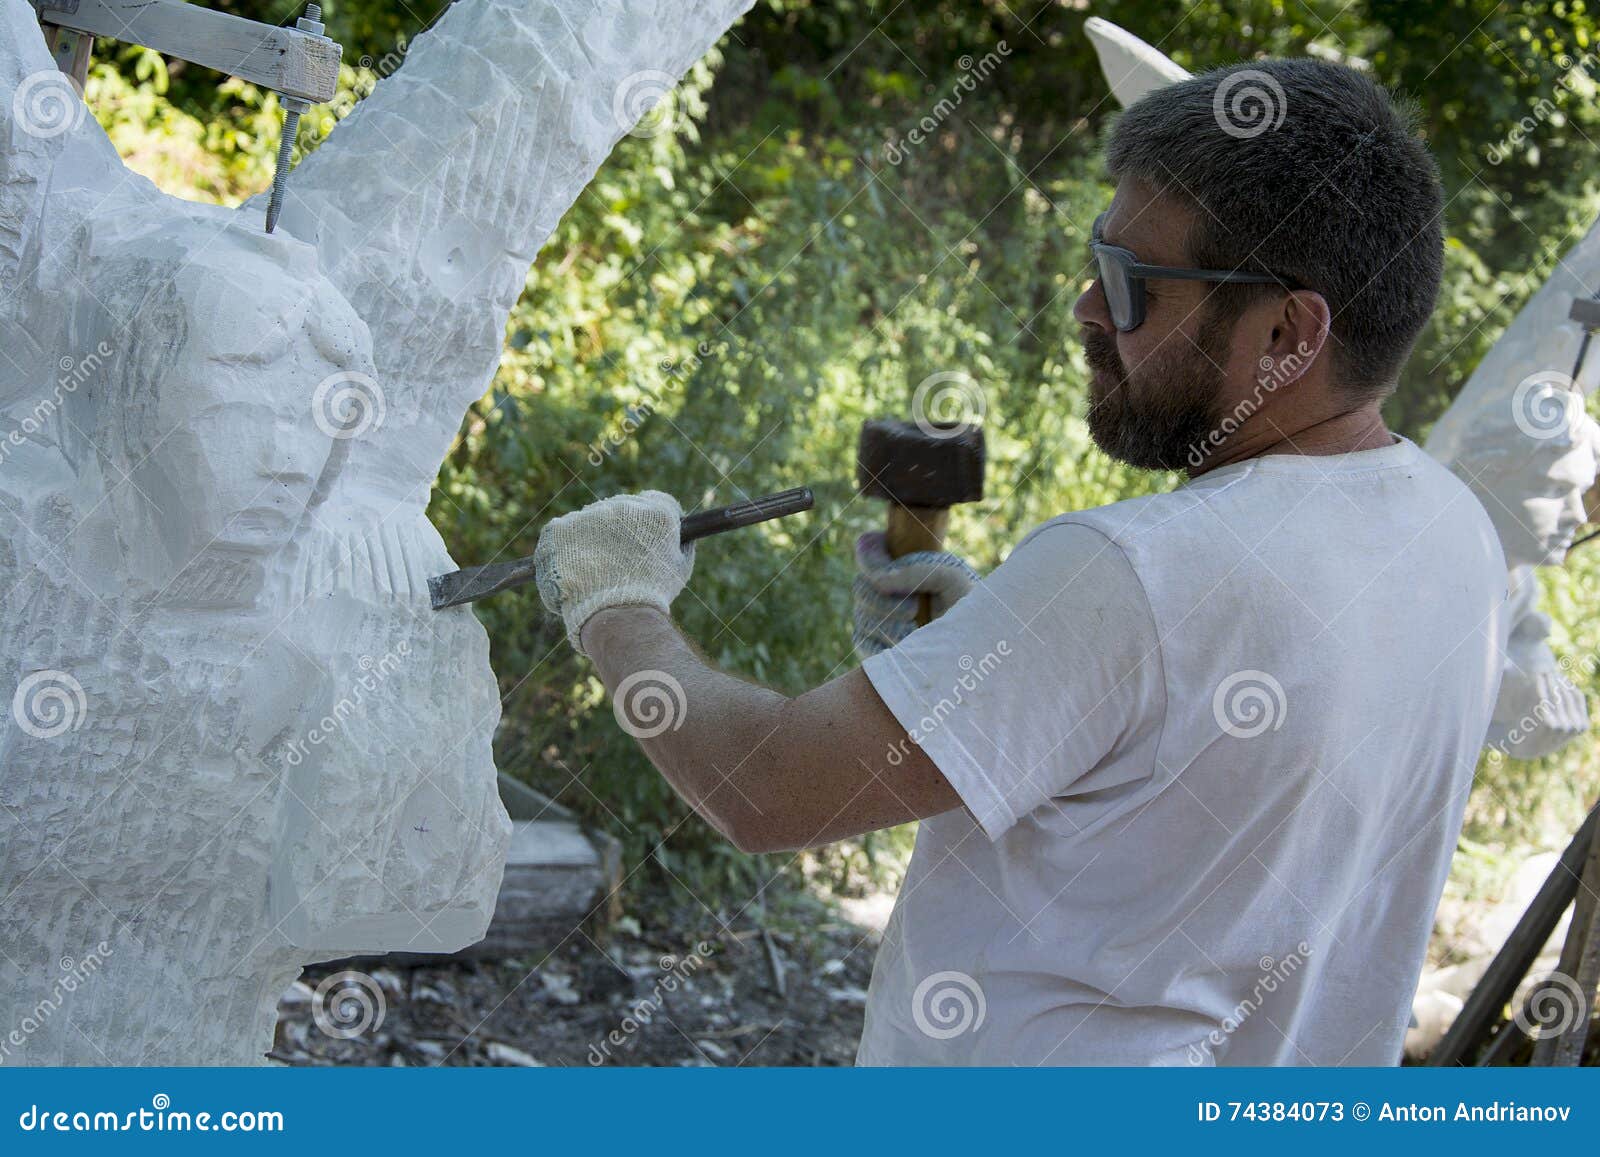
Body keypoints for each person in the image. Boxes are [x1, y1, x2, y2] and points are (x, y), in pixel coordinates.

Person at [532, 59, 1507, 1065]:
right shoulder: (1456, 534)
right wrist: (999, 662)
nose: (1086, 308)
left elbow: (769, 786)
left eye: (1130, 284)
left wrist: (616, 600)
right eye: (1095, 261)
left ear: (1286, 331)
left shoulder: (1133, 570)